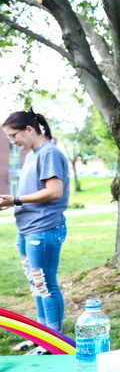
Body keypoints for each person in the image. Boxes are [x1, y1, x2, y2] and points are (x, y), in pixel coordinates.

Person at [1, 108, 70, 355]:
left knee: (46, 285)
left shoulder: (49, 152)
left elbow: (54, 191)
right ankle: (42, 337)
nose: (12, 141)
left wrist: (15, 200)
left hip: (43, 230)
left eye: (13, 135)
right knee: (36, 284)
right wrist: (10, 202)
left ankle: (53, 343)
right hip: (27, 230)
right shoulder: (32, 154)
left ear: (29, 129)